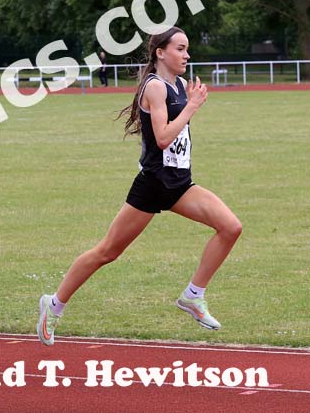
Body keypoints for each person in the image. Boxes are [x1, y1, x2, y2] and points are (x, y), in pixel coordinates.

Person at [37, 26, 242, 346]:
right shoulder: (156, 87)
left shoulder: (177, 85)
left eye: (187, 49)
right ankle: (54, 304)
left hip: (179, 183)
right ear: (161, 52)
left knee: (230, 227)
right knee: (107, 251)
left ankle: (193, 296)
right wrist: (191, 107)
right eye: (180, 48)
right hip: (153, 184)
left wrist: (187, 103)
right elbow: (161, 138)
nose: (187, 55)